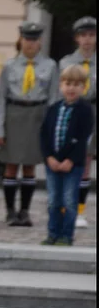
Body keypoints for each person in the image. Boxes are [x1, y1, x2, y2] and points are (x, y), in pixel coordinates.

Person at [0, 22, 58, 227]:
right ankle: (10, 210)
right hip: (14, 113)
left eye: (34, 39)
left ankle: (25, 210)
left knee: (30, 166)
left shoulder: (49, 66)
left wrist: (50, 127)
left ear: (40, 42)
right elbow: (2, 98)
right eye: (27, 39)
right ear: (21, 40)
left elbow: (52, 99)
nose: (30, 44)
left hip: (36, 115)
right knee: (11, 165)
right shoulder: (10, 66)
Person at [42, 66, 94, 245]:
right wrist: (49, 157)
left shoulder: (85, 111)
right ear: (61, 85)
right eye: (68, 83)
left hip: (73, 165)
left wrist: (69, 159)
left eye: (76, 84)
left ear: (83, 87)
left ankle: (66, 235)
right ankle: (52, 233)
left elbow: (82, 138)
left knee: (69, 201)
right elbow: (44, 135)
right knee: (53, 201)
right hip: (52, 163)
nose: (71, 88)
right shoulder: (53, 109)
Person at [58, 17, 96, 226]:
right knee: (69, 160)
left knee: (86, 163)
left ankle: (79, 210)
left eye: (91, 35)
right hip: (72, 111)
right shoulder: (66, 62)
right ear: (76, 38)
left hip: (92, 111)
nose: (87, 40)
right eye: (83, 35)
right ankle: (65, 207)